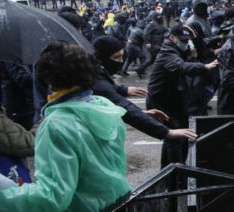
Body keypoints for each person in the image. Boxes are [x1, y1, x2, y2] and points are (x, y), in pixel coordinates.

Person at [0, 41, 132, 212]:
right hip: (113, 211)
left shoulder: (57, 123)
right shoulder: (106, 108)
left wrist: (1, 197)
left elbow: (53, 195)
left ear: (50, 79)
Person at [91, 36, 197, 143]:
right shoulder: (93, 78)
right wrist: (166, 132)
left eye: (121, 57)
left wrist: (124, 90)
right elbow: (123, 107)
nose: (120, 61)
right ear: (102, 57)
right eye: (116, 57)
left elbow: (108, 88)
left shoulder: (94, 70)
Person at [146, 25, 217, 167]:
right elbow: (181, 67)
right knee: (175, 137)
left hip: (174, 99)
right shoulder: (168, 52)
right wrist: (204, 67)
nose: (185, 43)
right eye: (182, 40)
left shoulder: (177, 50)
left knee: (177, 135)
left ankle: (170, 170)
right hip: (162, 102)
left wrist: (195, 37)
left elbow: (201, 50)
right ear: (172, 38)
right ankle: (174, 173)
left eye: (187, 40)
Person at [135, 12, 166, 77]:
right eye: (159, 16)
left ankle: (139, 69)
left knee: (151, 60)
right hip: (153, 45)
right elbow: (145, 34)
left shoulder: (160, 24)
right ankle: (158, 72)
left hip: (159, 43)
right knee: (160, 57)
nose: (160, 17)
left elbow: (165, 30)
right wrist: (148, 42)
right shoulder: (151, 24)